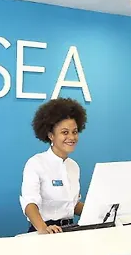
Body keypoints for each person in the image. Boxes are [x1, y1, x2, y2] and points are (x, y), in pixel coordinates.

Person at [20, 97, 87, 234]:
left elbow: (72, 205)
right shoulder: (36, 163)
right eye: (65, 132)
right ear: (51, 135)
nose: (71, 137)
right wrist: (43, 228)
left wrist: (102, 211)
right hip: (45, 230)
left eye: (74, 132)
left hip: (70, 230)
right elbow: (29, 203)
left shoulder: (73, 166)